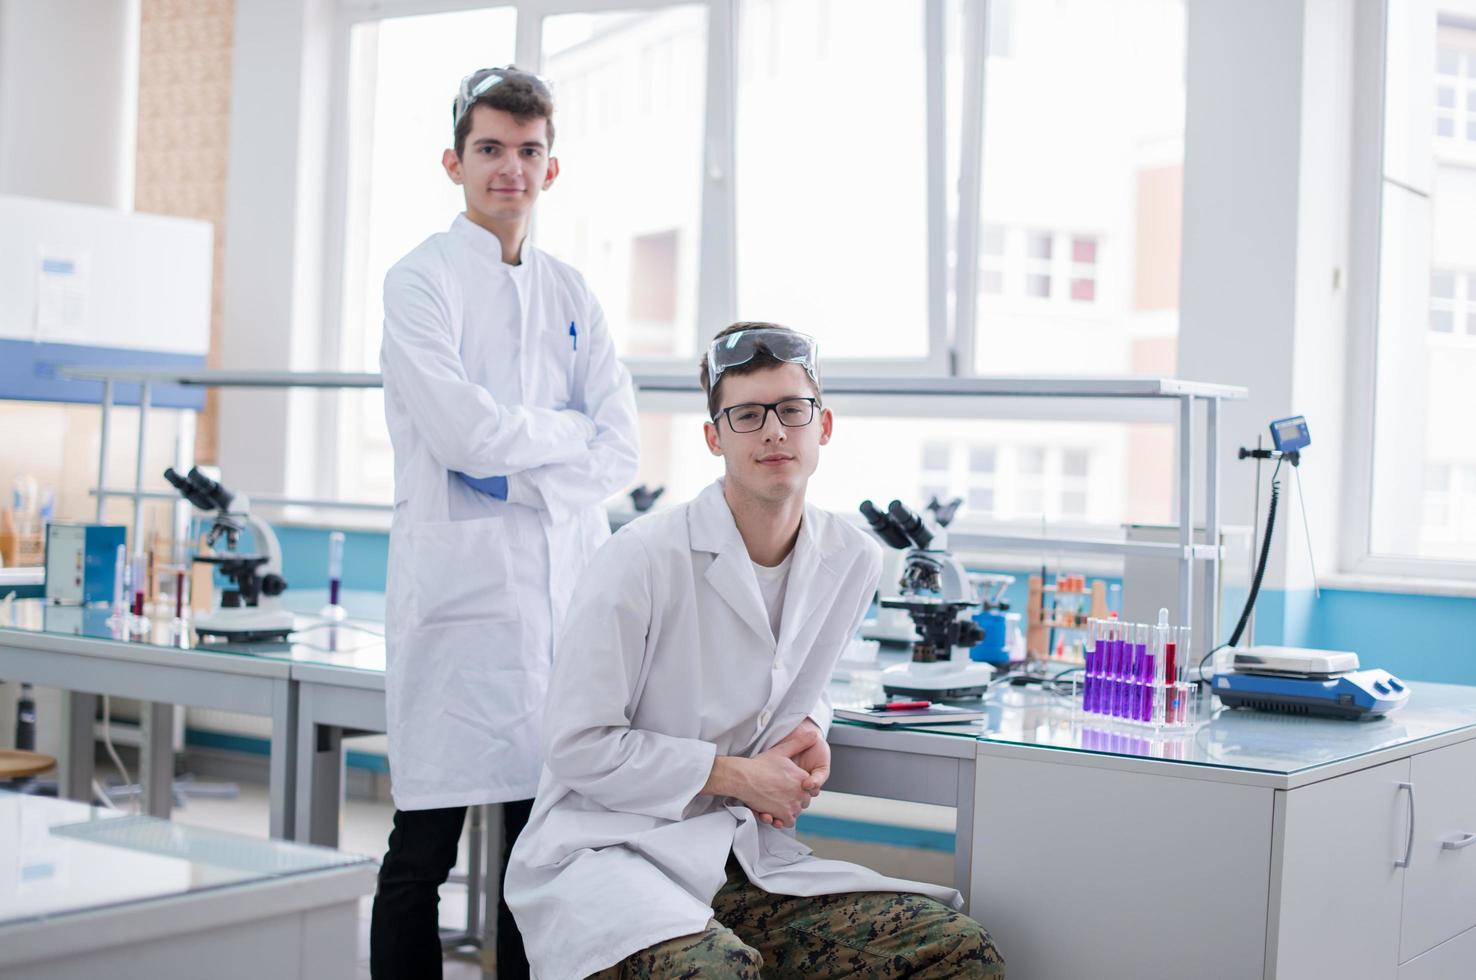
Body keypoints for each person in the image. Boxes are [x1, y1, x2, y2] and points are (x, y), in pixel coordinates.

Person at [506, 323, 1003, 978]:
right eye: (747, 415)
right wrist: (738, 776)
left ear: (822, 426)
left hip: (737, 855)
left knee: (956, 953)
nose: (774, 431)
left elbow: (797, 680)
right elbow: (576, 743)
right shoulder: (641, 557)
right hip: (611, 852)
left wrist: (811, 727)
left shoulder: (853, 558)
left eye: (792, 410)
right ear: (715, 437)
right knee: (721, 972)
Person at [372, 66, 639, 980]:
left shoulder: (574, 294)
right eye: (490, 149)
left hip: (563, 611)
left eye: (529, 152)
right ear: (455, 161)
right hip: (457, 607)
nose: (510, 169)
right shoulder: (419, 283)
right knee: (422, 856)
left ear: (551, 169)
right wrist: (561, 447)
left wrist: (518, 472)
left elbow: (620, 450)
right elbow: (458, 432)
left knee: (539, 860)